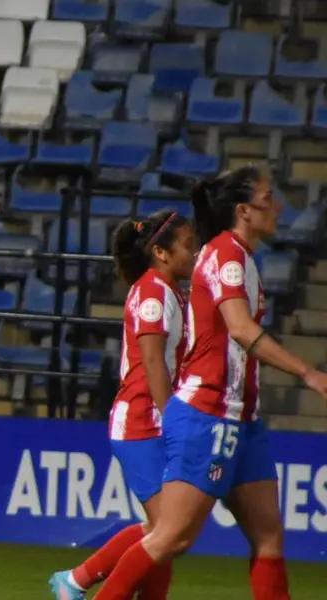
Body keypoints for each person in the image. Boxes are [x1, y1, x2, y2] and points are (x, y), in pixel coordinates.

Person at [95, 167, 327, 600]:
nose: (277, 206)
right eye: (267, 198)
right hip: (209, 413)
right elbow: (239, 329)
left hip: (243, 420)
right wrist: (308, 373)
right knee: (170, 539)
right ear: (243, 210)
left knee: (269, 538)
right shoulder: (224, 255)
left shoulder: (241, 255)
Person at [49, 209, 195, 600]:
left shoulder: (167, 291)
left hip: (152, 422)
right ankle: (78, 582)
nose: (194, 253)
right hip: (141, 424)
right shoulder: (152, 294)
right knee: (167, 535)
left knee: (163, 535)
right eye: (187, 246)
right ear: (161, 253)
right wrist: (176, 420)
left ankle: (76, 580)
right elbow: (151, 365)